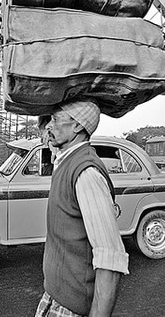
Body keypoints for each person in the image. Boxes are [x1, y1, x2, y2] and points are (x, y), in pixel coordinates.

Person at [35, 100, 129, 317]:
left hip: (70, 308)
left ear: (77, 126)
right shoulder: (65, 161)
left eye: (56, 119)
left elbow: (110, 259)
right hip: (53, 297)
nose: (49, 125)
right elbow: (47, 133)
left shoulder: (86, 172)